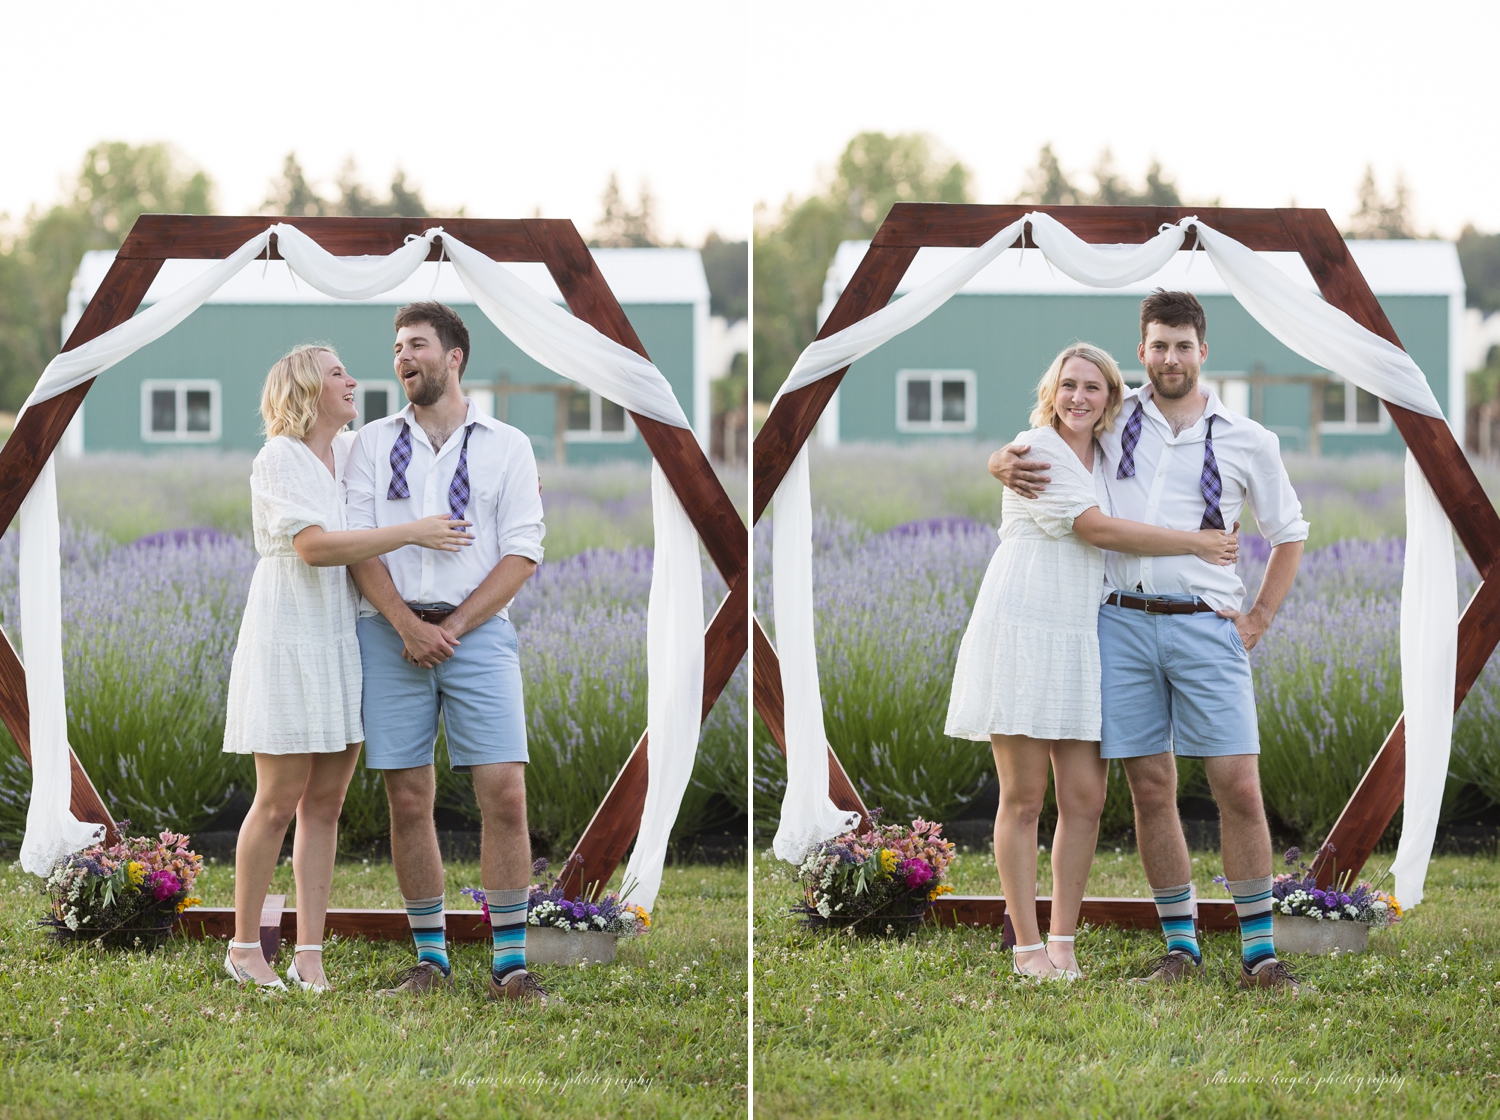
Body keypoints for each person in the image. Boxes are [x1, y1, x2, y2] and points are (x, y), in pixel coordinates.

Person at [992, 290, 1308, 993]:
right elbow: (1044, 432)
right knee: (1151, 786)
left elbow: (1289, 534)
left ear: (1203, 351)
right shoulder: (1111, 417)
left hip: (1206, 624)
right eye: (1158, 345)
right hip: (1120, 624)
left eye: (1182, 345)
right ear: (1142, 351)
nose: (1170, 357)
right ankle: (1180, 947)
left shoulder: (1249, 439)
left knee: (1238, 786)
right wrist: (999, 461)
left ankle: (1260, 952)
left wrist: (1257, 618)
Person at [947, 342, 1239, 980]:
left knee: (1084, 798)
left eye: (1094, 389)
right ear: (1051, 389)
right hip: (1025, 622)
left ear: (1111, 399)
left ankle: (1063, 942)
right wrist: (1197, 543)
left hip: (1082, 629)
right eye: (1069, 385)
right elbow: (1097, 530)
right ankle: (1026, 948)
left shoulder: (1107, 452)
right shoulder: (1037, 450)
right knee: (1024, 797)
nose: (1080, 397)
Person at [223, 344, 473, 992]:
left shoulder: (354, 449)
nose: (353, 380)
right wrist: (411, 532)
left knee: (326, 804)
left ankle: (309, 954)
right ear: (308, 386)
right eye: (338, 373)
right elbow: (313, 548)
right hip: (289, 631)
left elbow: (420, 458)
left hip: (340, 633)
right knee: (277, 800)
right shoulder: (280, 457)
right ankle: (245, 948)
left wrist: (503, 474)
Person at [345, 301, 548, 1005]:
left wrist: (453, 626)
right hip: (389, 633)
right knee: (407, 796)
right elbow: (358, 542)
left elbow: (524, 552)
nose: (403, 357)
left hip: (478, 635)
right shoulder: (370, 444)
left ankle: (511, 966)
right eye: (398, 347)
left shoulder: (507, 446)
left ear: (454, 357)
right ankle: (430, 960)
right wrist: (405, 624)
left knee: (505, 791)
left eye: (418, 345)